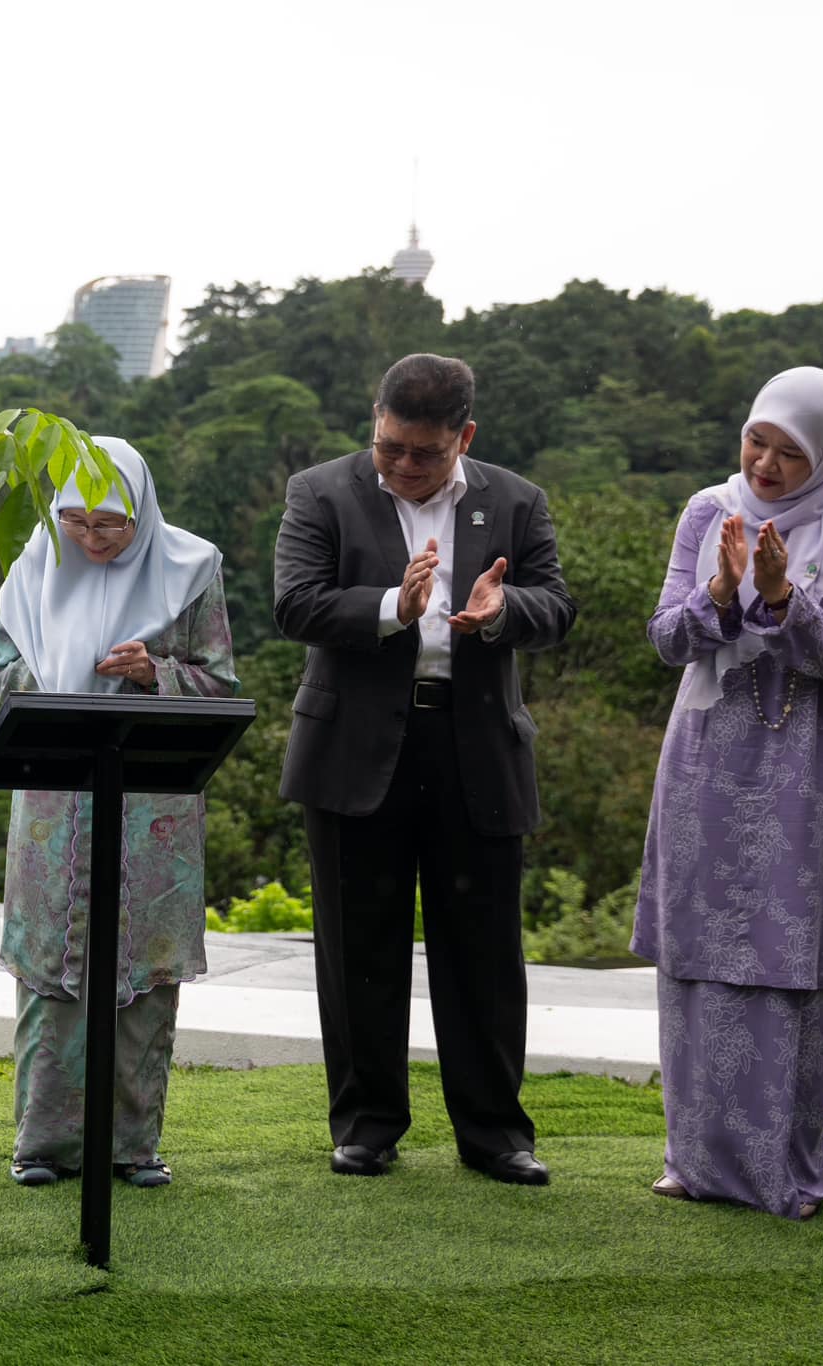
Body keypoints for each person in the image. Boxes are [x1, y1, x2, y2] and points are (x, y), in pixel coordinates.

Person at [272, 353, 576, 1186]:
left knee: (482, 950)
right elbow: (293, 603)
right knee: (357, 945)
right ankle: (367, 1125)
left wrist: (503, 609)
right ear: (375, 423)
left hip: (474, 746)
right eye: (389, 447)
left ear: (464, 437)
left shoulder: (515, 501)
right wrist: (389, 607)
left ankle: (495, 1133)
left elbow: (557, 606)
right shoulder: (320, 491)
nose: (403, 466)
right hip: (353, 751)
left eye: (424, 453)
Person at [632, 367, 823, 1220]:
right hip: (705, 758)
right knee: (701, 956)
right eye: (758, 442)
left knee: (791, 955)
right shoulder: (710, 511)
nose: (768, 465)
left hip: (806, 768)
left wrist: (783, 599)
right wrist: (720, 591)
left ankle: (784, 1171)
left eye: (791, 453)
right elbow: (668, 638)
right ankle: (692, 1159)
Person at [0, 437, 236, 1189]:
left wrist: (151, 672)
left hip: (150, 805)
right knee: (52, 974)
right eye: (77, 522)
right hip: (56, 801)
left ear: (142, 514)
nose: (91, 539)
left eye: (110, 525)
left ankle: (133, 1146)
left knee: (142, 976)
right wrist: (56, 667)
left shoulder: (192, 569)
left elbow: (219, 682)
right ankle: (43, 1147)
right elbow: (2, 674)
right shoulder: (32, 567)